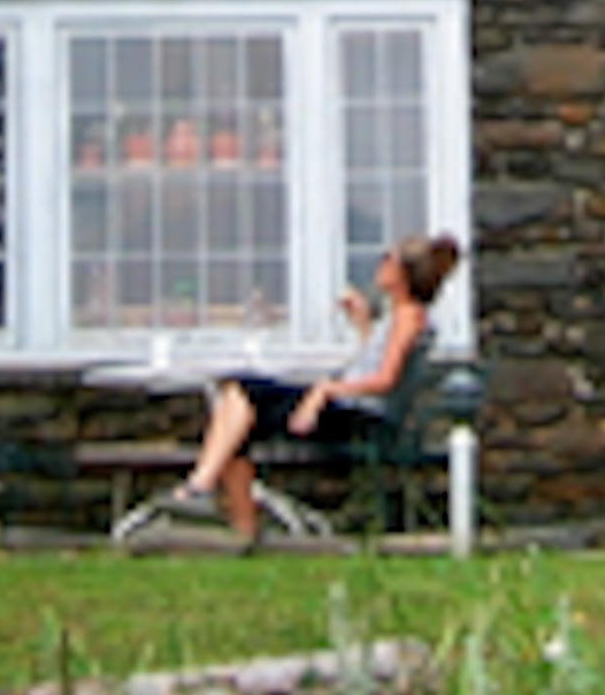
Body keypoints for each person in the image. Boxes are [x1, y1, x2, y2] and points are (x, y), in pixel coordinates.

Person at [161, 232, 463, 544]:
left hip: (360, 418)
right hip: (355, 409)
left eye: (388, 259)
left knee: (242, 392)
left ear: (402, 273)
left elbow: (385, 381)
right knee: (239, 416)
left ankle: (202, 489)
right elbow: (376, 365)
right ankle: (236, 522)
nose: (380, 265)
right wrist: (363, 326)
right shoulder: (399, 316)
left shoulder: (408, 316)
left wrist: (325, 391)